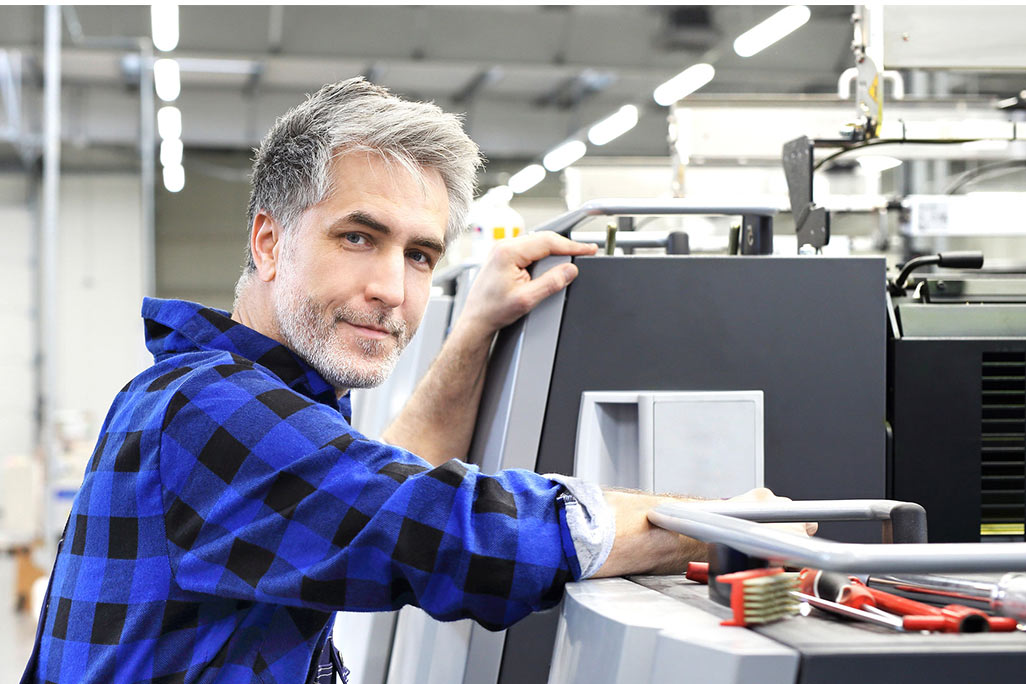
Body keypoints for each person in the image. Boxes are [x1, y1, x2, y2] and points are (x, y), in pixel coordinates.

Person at [22, 78, 805, 684]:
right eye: (358, 238)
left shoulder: (231, 403)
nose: (392, 290)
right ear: (268, 242)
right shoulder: (210, 408)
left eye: (420, 256)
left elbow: (384, 480)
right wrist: (724, 526)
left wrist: (473, 333)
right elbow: (442, 529)